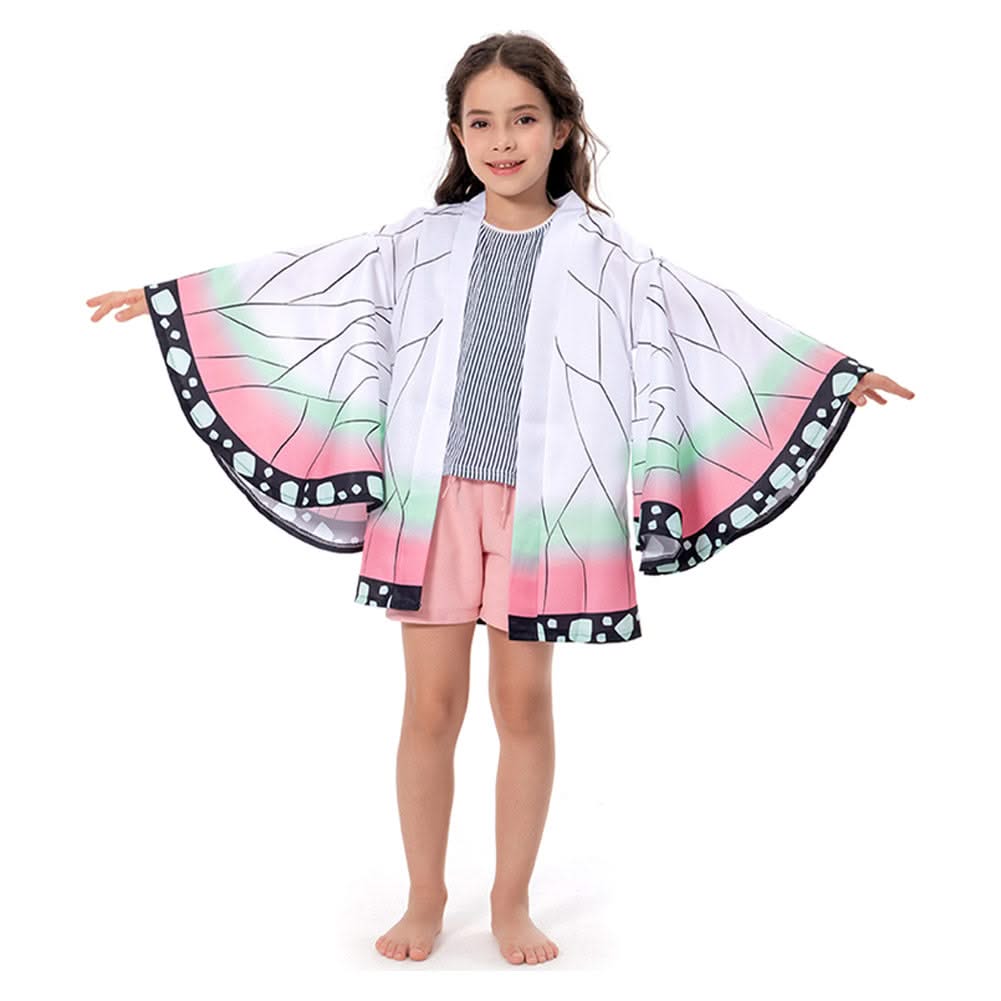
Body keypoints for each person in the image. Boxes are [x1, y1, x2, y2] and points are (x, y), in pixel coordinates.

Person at [85, 31, 915, 966]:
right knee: (429, 707)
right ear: (457, 134)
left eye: (523, 118)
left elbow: (705, 318)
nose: (502, 139)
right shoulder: (420, 240)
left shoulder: (609, 254)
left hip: (549, 509)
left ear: (560, 128)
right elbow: (310, 279)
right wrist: (178, 301)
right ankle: (425, 894)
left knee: (521, 705)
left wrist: (826, 375)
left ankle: (511, 899)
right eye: (480, 123)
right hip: (428, 503)